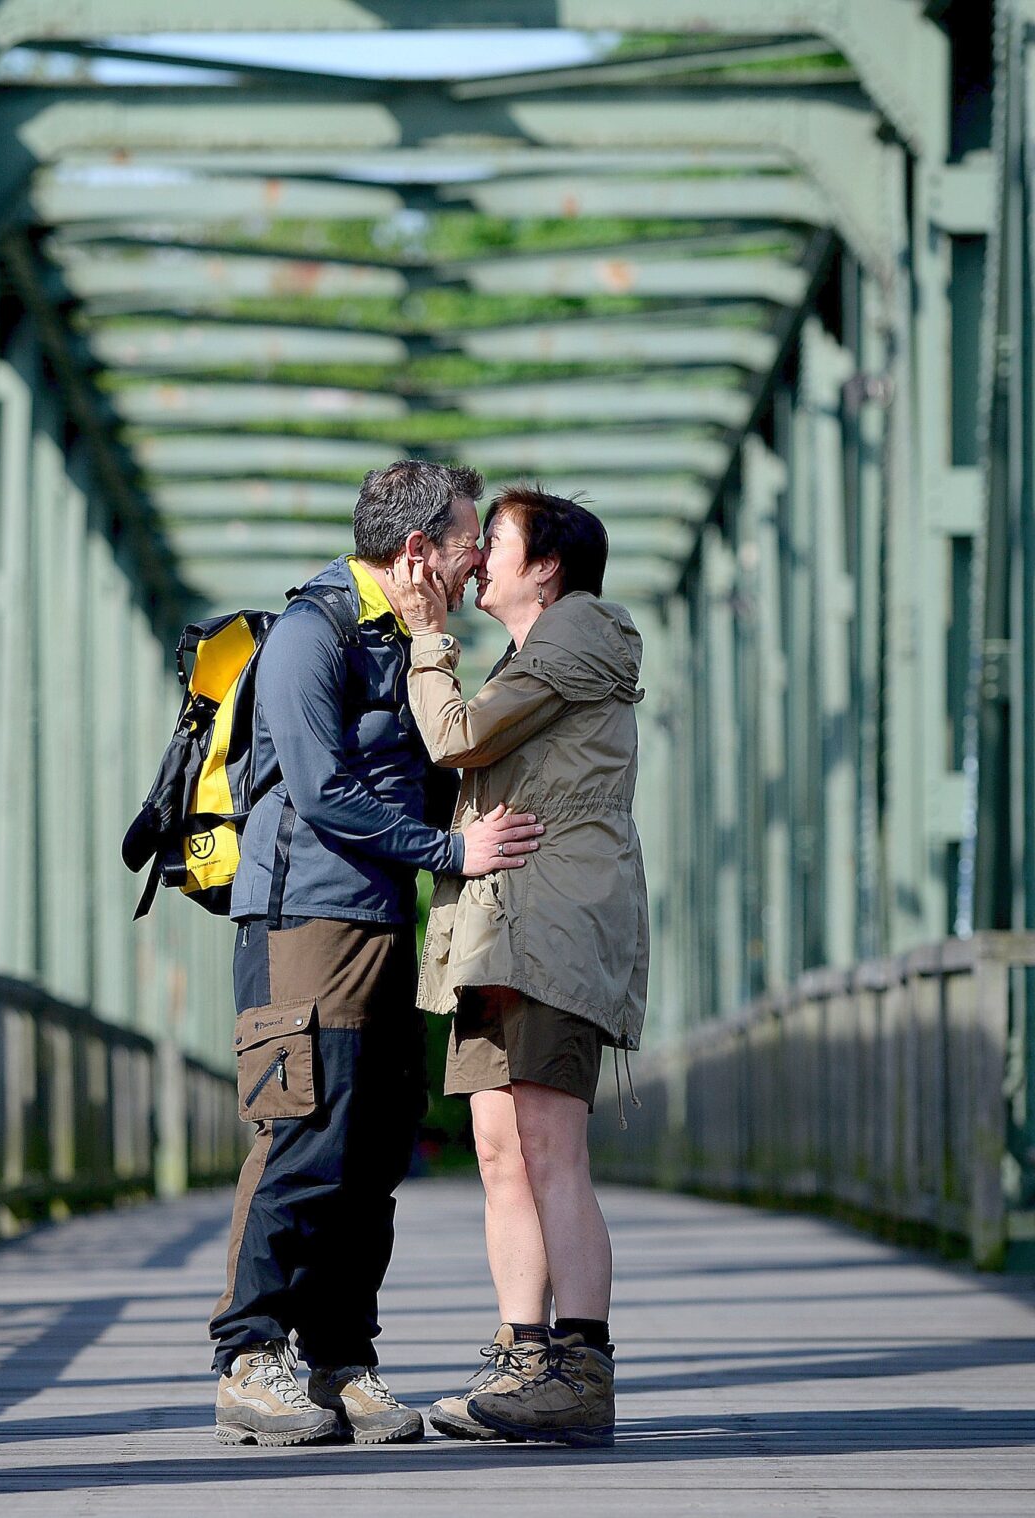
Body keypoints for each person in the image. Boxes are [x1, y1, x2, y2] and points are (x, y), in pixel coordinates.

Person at [208, 459, 547, 1447]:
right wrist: (449, 851)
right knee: (298, 1135)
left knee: (371, 1152)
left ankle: (340, 1361)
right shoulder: (311, 634)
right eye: (466, 547)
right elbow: (318, 791)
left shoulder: (409, 638)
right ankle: (246, 1356)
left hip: (380, 924)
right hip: (299, 924)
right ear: (417, 551)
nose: (476, 561)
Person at [383, 486, 648, 1450]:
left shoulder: (578, 637)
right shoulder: (530, 655)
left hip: (551, 927)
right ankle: (523, 1358)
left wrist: (422, 636)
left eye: (492, 540)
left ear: (547, 566)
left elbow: (457, 736)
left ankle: (579, 1368)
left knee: (549, 1151)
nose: (473, 556)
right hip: (500, 929)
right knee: (499, 1151)